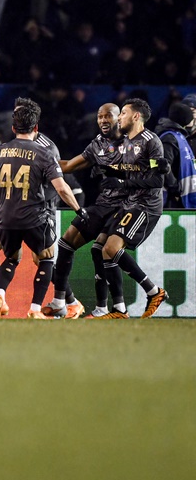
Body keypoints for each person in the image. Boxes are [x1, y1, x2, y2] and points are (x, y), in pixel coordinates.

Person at [0, 98, 84, 319]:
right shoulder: (29, 149)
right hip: (21, 209)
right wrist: (79, 210)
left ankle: (69, 301)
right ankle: (7, 302)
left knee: (34, 257)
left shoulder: (44, 148)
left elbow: (55, 187)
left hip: (36, 208)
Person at [41, 103, 125, 318]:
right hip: (104, 204)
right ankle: (60, 301)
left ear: (120, 118)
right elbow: (69, 165)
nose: (103, 120)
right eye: (100, 116)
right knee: (66, 242)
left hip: (127, 206)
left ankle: (116, 307)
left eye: (108, 116)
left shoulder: (132, 141)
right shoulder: (98, 144)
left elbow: (149, 172)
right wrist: (39, 161)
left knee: (104, 251)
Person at [92, 98, 168, 318]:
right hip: (130, 202)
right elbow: (133, 169)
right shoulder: (126, 142)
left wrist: (122, 183)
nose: (120, 117)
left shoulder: (151, 141)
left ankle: (153, 291)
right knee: (101, 248)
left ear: (136, 116)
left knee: (111, 247)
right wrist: (107, 170)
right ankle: (119, 309)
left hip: (146, 204)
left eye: (123, 113)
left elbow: (157, 180)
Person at [155, 102, 196, 209]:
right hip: (171, 199)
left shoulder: (179, 136)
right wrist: (175, 190)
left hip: (181, 196)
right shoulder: (169, 137)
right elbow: (163, 166)